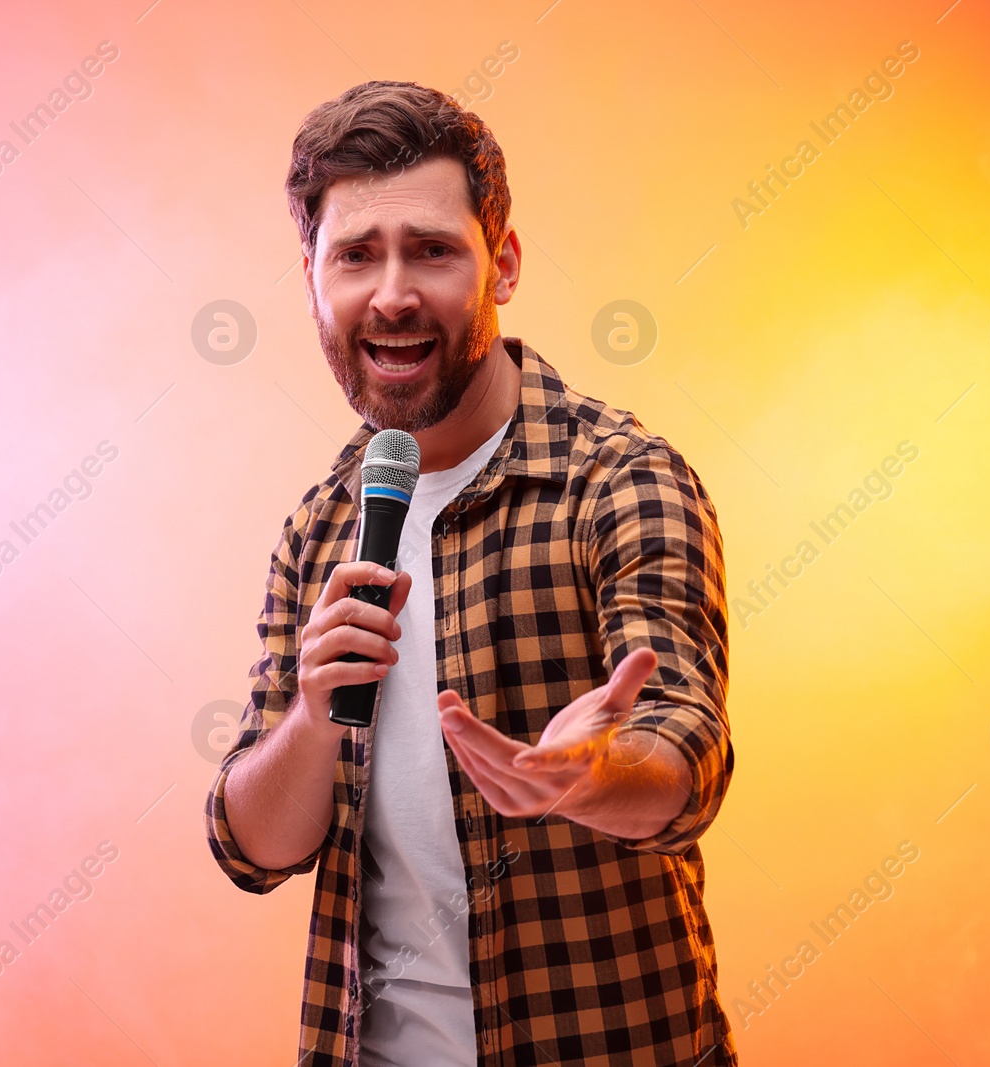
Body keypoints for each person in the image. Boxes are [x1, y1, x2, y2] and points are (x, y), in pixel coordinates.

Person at [205, 80, 738, 1066]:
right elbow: (253, 843)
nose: (394, 292)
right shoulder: (323, 526)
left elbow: (682, 753)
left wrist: (583, 774)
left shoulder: (616, 481)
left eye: (434, 249)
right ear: (313, 278)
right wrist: (314, 715)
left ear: (504, 265)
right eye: (356, 254)